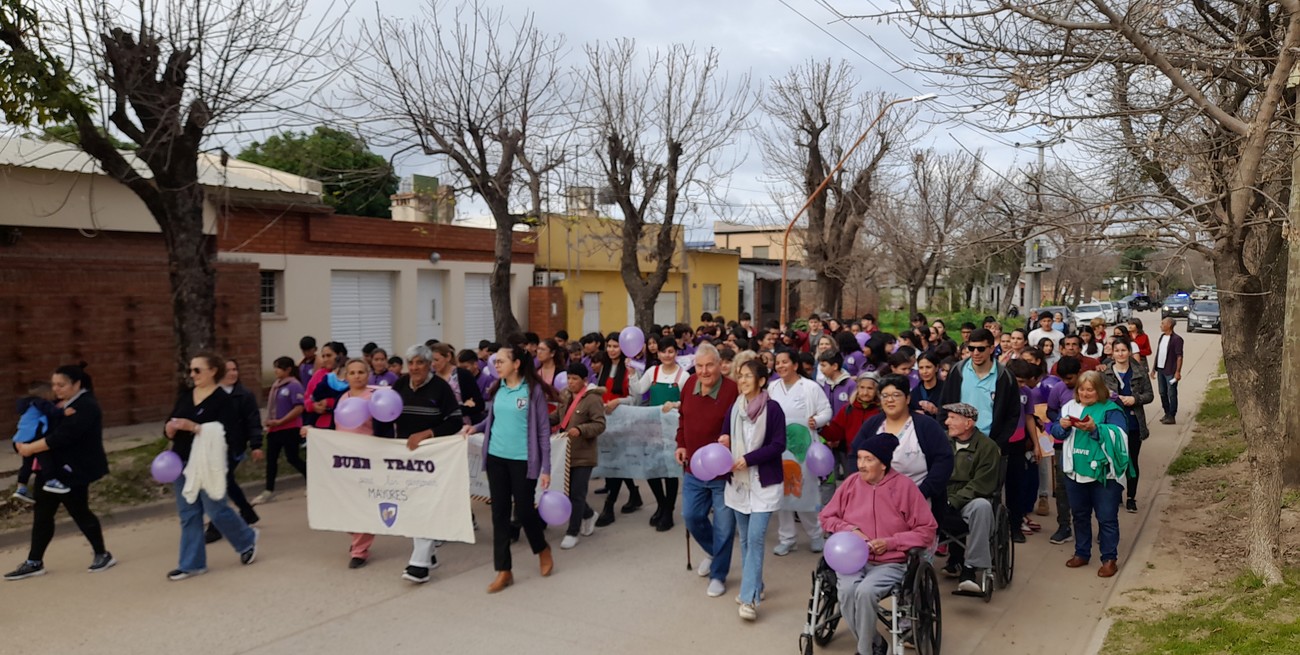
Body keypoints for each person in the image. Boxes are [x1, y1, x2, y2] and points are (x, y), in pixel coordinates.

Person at [818, 432, 938, 655]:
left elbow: (927, 530)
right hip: (852, 560)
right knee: (846, 591)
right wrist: (850, 530)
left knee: (865, 592)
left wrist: (891, 542)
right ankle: (875, 642)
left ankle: (865, 651)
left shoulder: (904, 487)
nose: (861, 465)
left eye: (868, 459)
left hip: (890, 562)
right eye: (859, 458)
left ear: (883, 464)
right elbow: (826, 517)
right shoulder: (851, 483)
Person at [5, 364, 114, 581]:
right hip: (49, 470)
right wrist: (20, 443)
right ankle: (34, 561)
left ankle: (102, 554)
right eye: (54, 384)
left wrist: (30, 448)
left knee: (79, 511)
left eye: (61, 385)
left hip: (74, 470)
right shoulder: (54, 404)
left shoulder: (86, 406)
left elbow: (63, 436)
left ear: (77, 384)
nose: (56, 389)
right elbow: (34, 424)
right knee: (42, 514)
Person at [465, 345, 557, 593]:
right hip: (496, 458)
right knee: (500, 514)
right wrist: (476, 427)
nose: (496, 364)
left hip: (522, 461)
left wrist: (546, 468)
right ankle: (504, 570)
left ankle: (542, 548)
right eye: (495, 361)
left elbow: (543, 430)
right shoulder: (498, 388)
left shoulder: (532, 391)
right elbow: (494, 418)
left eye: (501, 361)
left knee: (525, 511)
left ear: (516, 364)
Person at [162, 353, 259, 581]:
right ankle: (192, 564)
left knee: (216, 510)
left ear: (213, 371)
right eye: (191, 370)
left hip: (208, 463)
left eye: (197, 370)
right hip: (182, 460)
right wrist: (169, 429)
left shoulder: (223, 400)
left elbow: (229, 434)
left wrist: (196, 427)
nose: (192, 374)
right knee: (188, 514)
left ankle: (246, 539)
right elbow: (171, 420)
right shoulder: (186, 396)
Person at [717, 359, 786, 621]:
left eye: (748, 376)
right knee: (745, 539)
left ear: (761, 380)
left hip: (763, 483)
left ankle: (749, 599)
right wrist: (724, 440)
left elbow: (778, 445)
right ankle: (757, 585)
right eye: (740, 375)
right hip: (738, 483)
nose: (743, 380)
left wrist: (749, 458)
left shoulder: (773, 409)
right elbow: (724, 434)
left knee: (755, 539)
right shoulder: (735, 407)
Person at [392, 343, 465, 584]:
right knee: (412, 504)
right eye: (411, 363)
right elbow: (387, 413)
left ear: (429, 365)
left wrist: (428, 433)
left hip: (432, 457)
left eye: (420, 362)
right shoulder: (400, 385)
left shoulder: (440, 388)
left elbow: (455, 420)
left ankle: (419, 565)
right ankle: (429, 554)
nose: (414, 368)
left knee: (424, 504)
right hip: (405, 457)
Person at [1049, 371, 1132, 578]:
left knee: (1106, 517)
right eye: (1082, 389)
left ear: (1100, 390)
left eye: (1090, 390)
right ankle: (1082, 552)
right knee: (1079, 515)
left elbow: (1120, 436)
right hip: (1075, 471)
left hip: (1104, 474)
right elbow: (1056, 432)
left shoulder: (1111, 410)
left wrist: (1096, 429)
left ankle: (1109, 559)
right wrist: (1061, 427)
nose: (1085, 394)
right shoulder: (1069, 407)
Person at [674, 343, 741, 598]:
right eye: (699, 366)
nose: (704, 371)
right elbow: (682, 418)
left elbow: (741, 426)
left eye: (709, 365)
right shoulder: (689, 384)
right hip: (693, 468)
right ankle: (715, 552)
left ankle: (718, 574)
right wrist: (681, 444)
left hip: (723, 472)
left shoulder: (732, 390)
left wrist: (732, 441)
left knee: (724, 527)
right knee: (691, 516)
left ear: (720, 365)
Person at [857, 374, 954, 526]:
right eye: (885, 396)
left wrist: (922, 492)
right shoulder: (872, 425)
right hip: (875, 501)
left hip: (920, 500)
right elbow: (855, 454)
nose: (890, 400)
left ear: (907, 399)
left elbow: (944, 460)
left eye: (896, 395)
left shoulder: (926, 426)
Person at [768, 349, 832, 556]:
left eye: (785, 362)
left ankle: (816, 534)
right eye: (777, 362)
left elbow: (826, 410)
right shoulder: (772, 387)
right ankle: (787, 538)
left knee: (805, 490)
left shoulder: (810, 387)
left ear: (795, 365)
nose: (780, 366)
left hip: (803, 449)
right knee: (782, 493)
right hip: (779, 447)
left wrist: (817, 420)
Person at [939, 403, 1000, 595]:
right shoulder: (941, 441)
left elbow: (982, 484)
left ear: (968, 423)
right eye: (947, 417)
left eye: (952, 418)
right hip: (941, 496)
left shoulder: (987, 447)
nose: (947, 422)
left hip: (969, 500)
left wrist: (954, 501)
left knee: (982, 507)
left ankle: (970, 568)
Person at [631, 336, 687, 531]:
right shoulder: (652, 371)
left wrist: (676, 404)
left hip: (673, 430)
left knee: (670, 472)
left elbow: (688, 401)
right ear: (658, 353)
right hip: (653, 428)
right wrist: (632, 375)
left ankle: (668, 511)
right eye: (663, 351)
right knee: (651, 469)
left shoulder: (683, 376)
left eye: (671, 351)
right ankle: (661, 504)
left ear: (676, 353)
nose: (667, 355)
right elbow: (639, 390)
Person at [206, 359, 262, 543]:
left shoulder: (244, 395)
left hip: (234, 446)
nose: (232, 373)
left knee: (220, 481)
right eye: (228, 370)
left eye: (235, 369)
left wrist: (256, 445)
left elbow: (253, 421)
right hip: (213, 446)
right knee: (227, 481)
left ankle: (215, 526)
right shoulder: (210, 393)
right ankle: (247, 512)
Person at [551, 363, 606, 550]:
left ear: (584, 380)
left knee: (577, 493)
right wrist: (542, 420)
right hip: (564, 453)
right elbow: (558, 416)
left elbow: (600, 424)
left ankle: (572, 532)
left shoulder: (592, 399)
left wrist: (581, 429)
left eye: (575, 379)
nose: (570, 382)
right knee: (566, 493)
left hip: (583, 454)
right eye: (569, 378)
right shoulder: (565, 395)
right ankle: (589, 514)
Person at [335, 359, 383, 568]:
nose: (357, 376)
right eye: (352, 372)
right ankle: (356, 536)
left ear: (368, 374)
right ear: (346, 376)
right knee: (344, 503)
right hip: (344, 460)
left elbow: (384, 427)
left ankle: (359, 550)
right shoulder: (343, 398)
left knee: (363, 503)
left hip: (367, 459)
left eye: (361, 372)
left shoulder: (374, 398)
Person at [937, 328, 1021, 448]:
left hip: (990, 444)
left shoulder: (1005, 377)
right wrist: (947, 434)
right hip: (957, 442)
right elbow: (944, 404)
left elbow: (1013, 413)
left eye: (981, 349)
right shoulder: (957, 371)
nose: (975, 353)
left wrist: (998, 443)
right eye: (971, 348)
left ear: (991, 349)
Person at [596, 332, 643, 525]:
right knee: (616, 462)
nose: (611, 350)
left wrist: (618, 402)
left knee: (617, 463)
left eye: (615, 346)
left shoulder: (631, 368)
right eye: (609, 346)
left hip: (624, 422)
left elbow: (636, 398)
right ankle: (634, 494)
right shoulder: (604, 368)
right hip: (606, 422)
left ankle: (609, 506)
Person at [1102, 339, 1154, 513]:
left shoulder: (1139, 372)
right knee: (1113, 460)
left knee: (1132, 460)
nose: (1120, 354)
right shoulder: (1105, 373)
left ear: (1129, 352)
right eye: (1117, 350)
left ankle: (1131, 497)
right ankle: (1116, 494)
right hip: (1112, 423)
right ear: (1112, 353)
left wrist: (1135, 399)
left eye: (1124, 350)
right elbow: (1098, 395)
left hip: (1133, 423)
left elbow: (1149, 395)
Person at [254, 356, 306, 506]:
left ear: (288, 369)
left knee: (292, 457)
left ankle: (311, 479)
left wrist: (281, 421)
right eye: (275, 367)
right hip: (274, 429)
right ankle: (268, 490)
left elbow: (298, 408)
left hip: (289, 428)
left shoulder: (294, 385)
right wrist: (270, 421)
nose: (275, 370)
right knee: (271, 460)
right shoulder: (276, 385)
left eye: (278, 367)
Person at [10, 381, 64, 502]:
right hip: (34, 437)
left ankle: (21, 487)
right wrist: (63, 411)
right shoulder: (40, 402)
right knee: (45, 459)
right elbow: (52, 411)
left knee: (27, 465)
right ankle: (51, 481)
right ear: (45, 394)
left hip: (22, 438)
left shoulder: (29, 404)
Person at [431, 343, 486, 426]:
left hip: (463, 425)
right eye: (430, 361)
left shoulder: (463, 375)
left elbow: (479, 404)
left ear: (448, 357)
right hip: (437, 426)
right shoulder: (431, 378)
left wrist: (459, 409)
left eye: (436, 360)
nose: (433, 364)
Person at [1152, 318, 1184, 424]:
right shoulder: (1162, 337)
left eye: (1163, 323)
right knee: (1162, 392)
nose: (1160, 325)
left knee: (1172, 393)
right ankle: (1166, 412)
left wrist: (1177, 371)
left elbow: (1179, 356)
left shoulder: (1177, 339)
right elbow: (1158, 353)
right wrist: (1154, 368)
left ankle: (1172, 415)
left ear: (1169, 325)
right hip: (1160, 369)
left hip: (1170, 370)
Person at [818, 350, 856, 419]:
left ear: (835, 366)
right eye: (820, 365)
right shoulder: (826, 384)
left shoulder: (850, 385)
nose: (821, 369)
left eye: (824, 365)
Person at [911, 352, 944, 418]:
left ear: (936, 368)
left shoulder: (946, 389)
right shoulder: (915, 392)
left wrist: (936, 411)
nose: (924, 371)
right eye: (921, 368)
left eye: (928, 367)